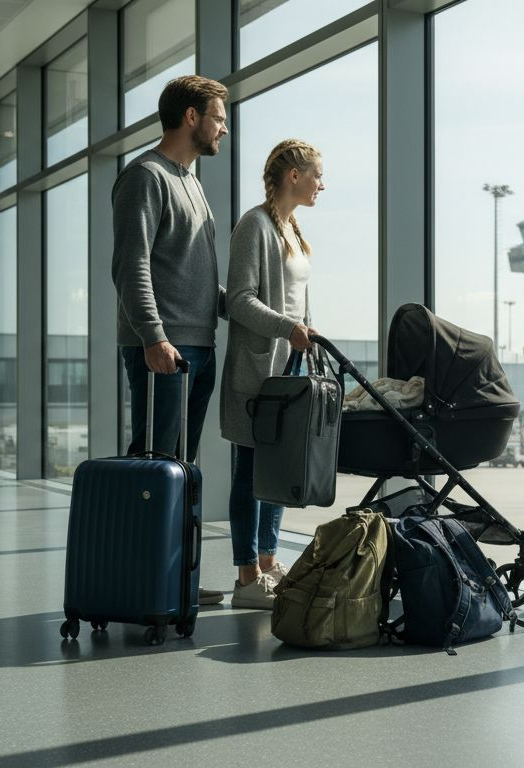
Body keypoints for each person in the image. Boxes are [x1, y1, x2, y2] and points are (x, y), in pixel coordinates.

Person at [111, 75, 229, 605]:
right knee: (157, 467)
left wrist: (241, 306)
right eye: (218, 117)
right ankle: (143, 580)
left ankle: (174, 578)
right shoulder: (145, 176)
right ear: (190, 117)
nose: (223, 127)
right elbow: (130, 264)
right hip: (163, 349)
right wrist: (154, 337)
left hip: (197, 346)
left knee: (182, 467)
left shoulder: (192, 181)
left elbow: (194, 273)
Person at [219, 139, 326, 609]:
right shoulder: (255, 226)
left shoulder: (292, 229)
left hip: (289, 370)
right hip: (257, 371)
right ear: (294, 176)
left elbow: (295, 299)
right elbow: (239, 301)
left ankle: (267, 562)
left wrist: (303, 330)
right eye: (317, 174)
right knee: (250, 472)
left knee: (279, 470)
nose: (322, 184)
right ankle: (246, 577)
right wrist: (288, 327)